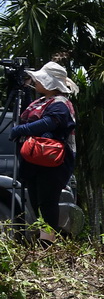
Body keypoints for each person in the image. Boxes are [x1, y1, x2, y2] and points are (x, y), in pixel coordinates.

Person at [9, 61, 78, 246]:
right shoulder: (41, 101)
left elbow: (49, 123)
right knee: (36, 201)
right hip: (36, 161)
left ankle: (47, 243)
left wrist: (20, 130)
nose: (36, 82)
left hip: (51, 162)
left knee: (47, 203)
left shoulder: (60, 104)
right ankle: (42, 240)